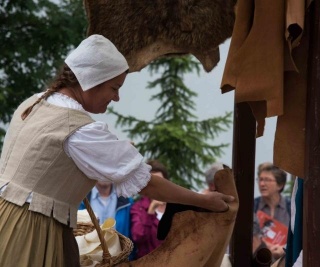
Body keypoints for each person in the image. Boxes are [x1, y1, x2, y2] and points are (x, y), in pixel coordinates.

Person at [0, 34, 234, 267]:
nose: (117, 97)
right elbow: (147, 183)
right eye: (114, 87)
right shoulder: (78, 129)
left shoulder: (34, 103)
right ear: (92, 81)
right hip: (32, 230)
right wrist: (204, 201)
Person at [130, 159, 168, 259]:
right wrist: (150, 211)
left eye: (161, 182)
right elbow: (138, 236)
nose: (158, 186)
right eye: (153, 182)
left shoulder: (174, 205)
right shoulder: (139, 207)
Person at [254, 163, 291, 261]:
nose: (262, 184)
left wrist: (284, 248)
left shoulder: (290, 207)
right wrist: (263, 246)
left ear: (280, 185)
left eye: (267, 180)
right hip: (258, 261)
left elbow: (300, 237)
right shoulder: (253, 207)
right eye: (260, 179)